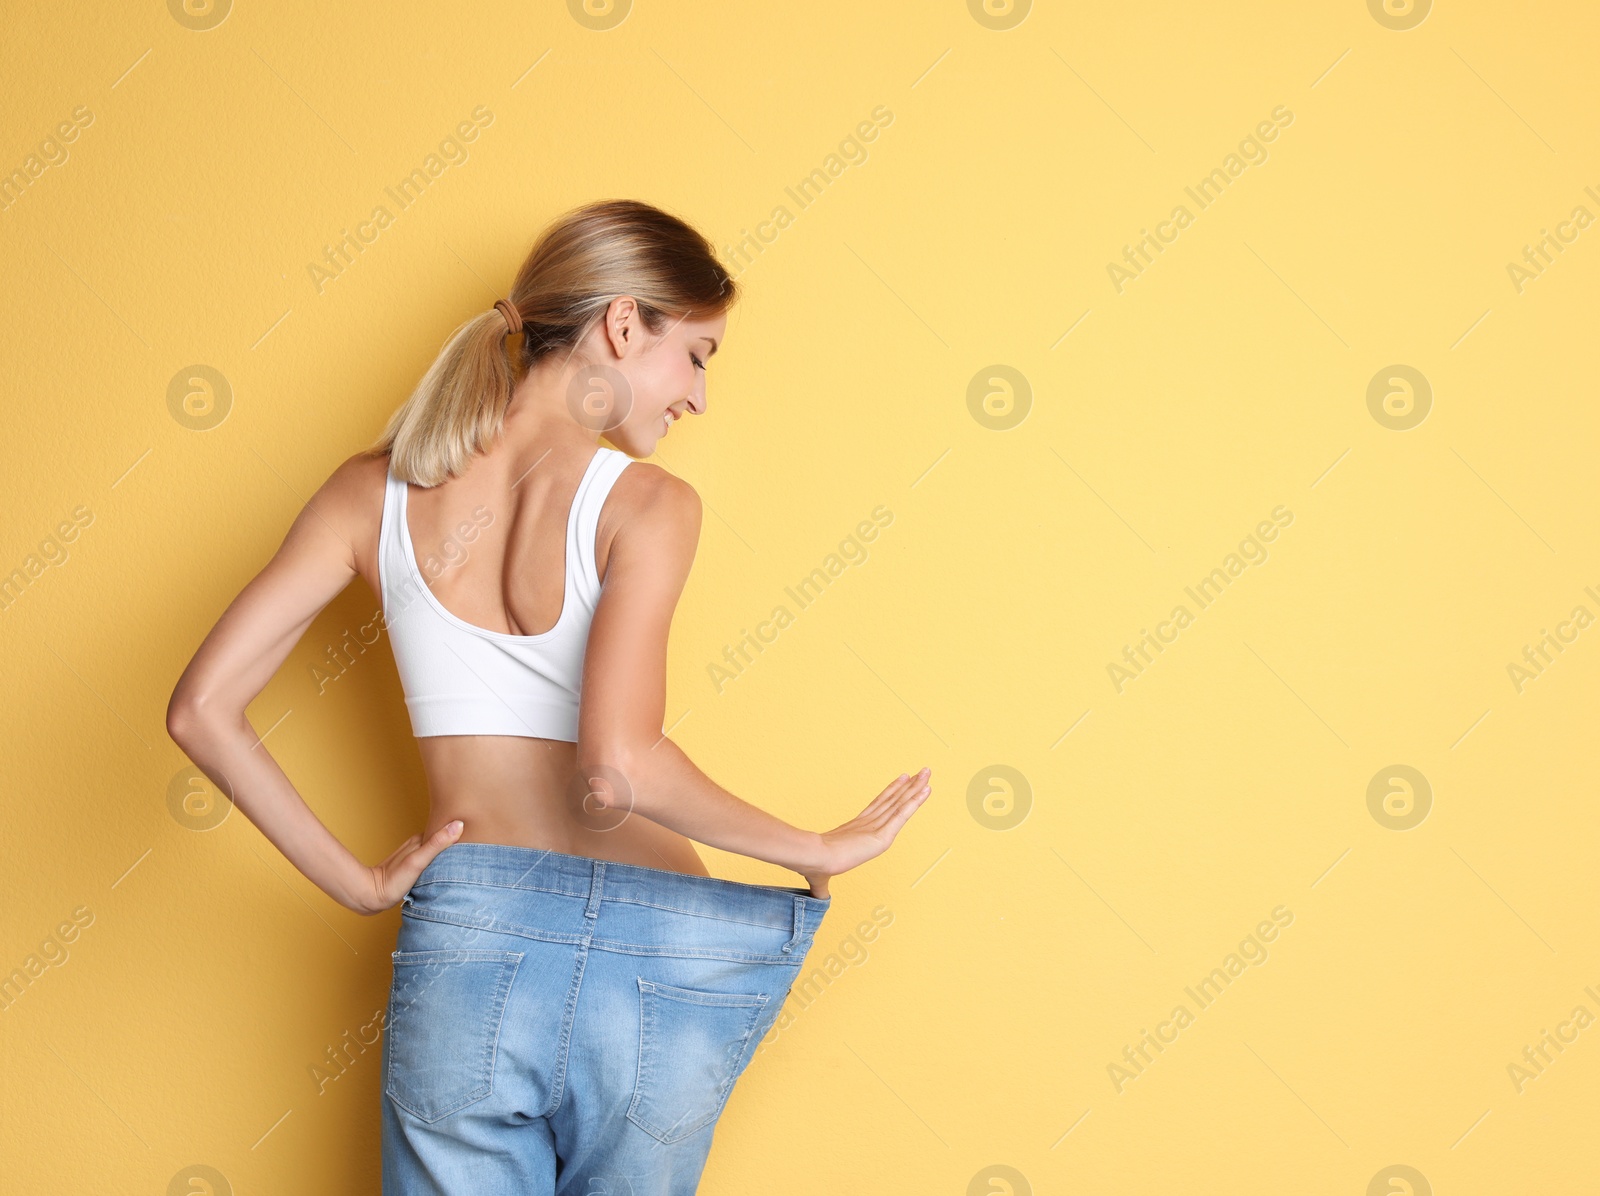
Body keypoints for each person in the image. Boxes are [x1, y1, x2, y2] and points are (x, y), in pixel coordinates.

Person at [165, 198, 933, 1194]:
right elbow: (615, 766)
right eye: (697, 353)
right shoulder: (649, 506)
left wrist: (359, 881)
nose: (699, 395)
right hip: (664, 954)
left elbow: (200, 709)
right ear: (623, 324)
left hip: (470, 942)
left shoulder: (370, 497)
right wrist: (814, 846)